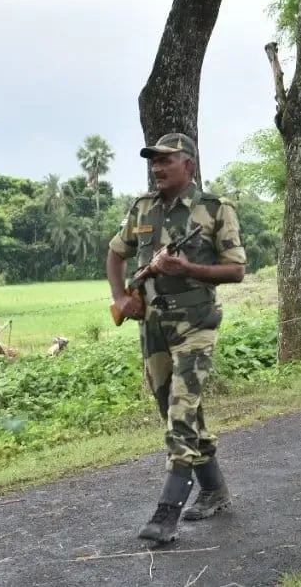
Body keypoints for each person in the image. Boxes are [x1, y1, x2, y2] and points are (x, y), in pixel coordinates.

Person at [106, 132, 247, 545]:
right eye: (153, 160)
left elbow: (236, 270)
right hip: (153, 323)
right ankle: (214, 489)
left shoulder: (215, 210)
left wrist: (186, 268)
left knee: (181, 412)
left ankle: (167, 511)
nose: (157, 167)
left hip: (196, 323)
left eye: (166, 160)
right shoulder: (142, 208)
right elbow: (116, 253)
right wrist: (120, 297)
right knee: (173, 407)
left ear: (189, 165)